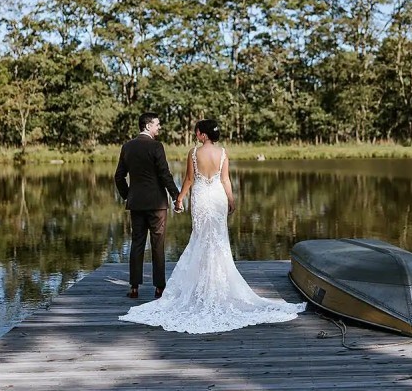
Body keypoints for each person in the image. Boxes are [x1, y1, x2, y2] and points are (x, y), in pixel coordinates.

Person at [119, 119, 305, 333]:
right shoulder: (223, 153)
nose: (196, 134)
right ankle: (216, 284)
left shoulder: (193, 153)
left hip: (200, 198)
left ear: (203, 135)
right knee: (218, 240)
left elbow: (189, 179)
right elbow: (225, 180)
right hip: (217, 198)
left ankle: (190, 285)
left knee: (200, 238)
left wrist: (180, 198)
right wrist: (232, 199)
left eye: (198, 131)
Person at [114, 112, 180, 300]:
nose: (159, 127)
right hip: (157, 204)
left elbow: (118, 177)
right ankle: (159, 288)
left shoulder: (127, 147)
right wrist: (176, 196)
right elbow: (165, 175)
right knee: (158, 245)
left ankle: (134, 288)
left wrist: (128, 195)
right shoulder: (156, 146)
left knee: (137, 243)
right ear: (148, 126)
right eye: (157, 124)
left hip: (136, 203)